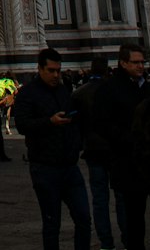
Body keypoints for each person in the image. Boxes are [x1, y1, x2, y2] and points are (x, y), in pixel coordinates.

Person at [94, 45, 150, 250]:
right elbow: (102, 124)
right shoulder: (109, 89)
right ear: (123, 63)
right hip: (128, 164)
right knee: (134, 220)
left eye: (142, 62)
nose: (141, 66)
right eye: (136, 62)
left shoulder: (149, 87)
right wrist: (130, 139)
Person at [14, 46, 91, 250]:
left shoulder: (64, 89)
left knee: (84, 217)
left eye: (58, 70)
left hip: (69, 165)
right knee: (52, 223)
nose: (56, 74)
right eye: (51, 70)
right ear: (40, 69)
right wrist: (49, 122)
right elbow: (22, 125)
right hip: (45, 167)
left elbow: (73, 118)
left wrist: (77, 143)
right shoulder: (27, 93)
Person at [73, 57, 125, 250]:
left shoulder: (79, 94)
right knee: (121, 197)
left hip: (93, 151)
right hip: (115, 150)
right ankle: (127, 238)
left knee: (99, 199)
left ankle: (106, 243)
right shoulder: (115, 91)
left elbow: (76, 125)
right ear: (107, 71)